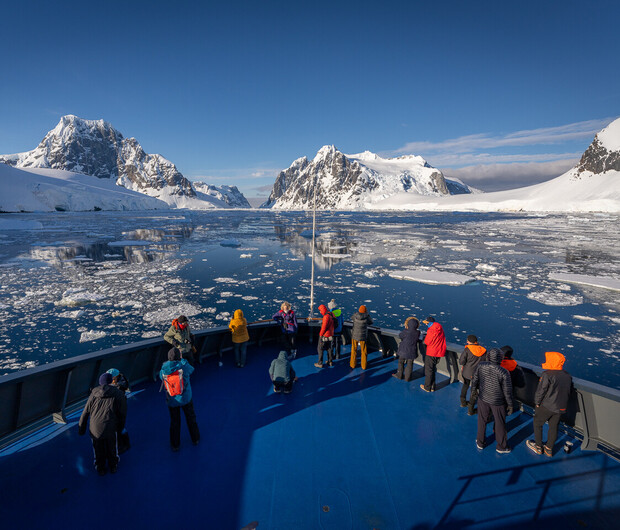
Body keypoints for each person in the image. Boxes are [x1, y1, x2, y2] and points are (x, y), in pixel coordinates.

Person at [78, 372, 127, 476]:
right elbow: (122, 413)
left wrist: (81, 429)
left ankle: (100, 468)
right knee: (112, 447)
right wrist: (120, 427)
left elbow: (85, 413)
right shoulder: (118, 394)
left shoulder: (93, 394)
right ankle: (113, 466)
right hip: (110, 427)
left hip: (95, 428)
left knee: (98, 449)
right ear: (110, 381)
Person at [527, 351, 573, 457]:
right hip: (560, 407)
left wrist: (537, 402)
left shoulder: (547, 374)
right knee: (554, 427)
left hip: (546, 406)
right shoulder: (567, 376)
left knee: (537, 424)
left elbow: (541, 390)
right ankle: (549, 449)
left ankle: (538, 447)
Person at [471, 348, 514, 454]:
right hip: (497, 401)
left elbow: (475, 379)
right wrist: (510, 404)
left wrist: (473, 391)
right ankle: (501, 446)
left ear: (489, 356)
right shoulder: (504, 372)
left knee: (482, 420)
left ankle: (480, 442)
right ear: (500, 358)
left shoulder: (481, 365)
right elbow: (507, 391)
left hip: (483, 398)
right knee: (500, 423)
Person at [159, 347, 200, 451]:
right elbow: (191, 370)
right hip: (185, 398)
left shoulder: (164, 368)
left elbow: (161, 377)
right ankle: (195, 439)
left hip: (172, 400)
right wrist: (182, 360)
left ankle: (175, 445)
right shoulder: (183, 365)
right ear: (179, 356)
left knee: (175, 422)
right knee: (190, 418)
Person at [459, 335, 487, 414]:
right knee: (474, 390)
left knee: (465, 385)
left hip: (466, 372)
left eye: (467, 341)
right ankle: (470, 410)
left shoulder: (467, 350)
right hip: (477, 374)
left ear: (469, 342)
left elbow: (461, 362)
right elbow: (486, 362)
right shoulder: (483, 350)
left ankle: (463, 402)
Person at [107, 368, 131, 453]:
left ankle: (123, 445)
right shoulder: (121, 382)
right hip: (118, 406)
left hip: (119, 407)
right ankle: (125, 443)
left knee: (119, 426)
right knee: (120, 426)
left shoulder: (119, 386)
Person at [420, 316, 446, 392]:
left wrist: (426, 336)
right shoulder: (439, 328)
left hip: (431, 352)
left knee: (428, 370)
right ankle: (432, 387)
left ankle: (427, 387)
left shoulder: (431, 330)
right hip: (438, 351)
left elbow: (427, 342)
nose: (426, 324)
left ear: (430, 323)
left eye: (427, 323)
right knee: (433, 369)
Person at [392, 317, 421, 382]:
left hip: (403, 350)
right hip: (412, 351)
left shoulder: (405, 331)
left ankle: (399, 375)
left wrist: (405, 329)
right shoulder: (418, 332)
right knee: (410, 364)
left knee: (401, 362)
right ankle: (408, 378)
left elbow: (400, 336)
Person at [350, 305, 373, 370]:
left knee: (354, 350)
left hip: (354, 336)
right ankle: (363, 366)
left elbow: (352, 318)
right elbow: (371, 322)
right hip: (363, 337)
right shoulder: (367, 317)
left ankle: (352, 364)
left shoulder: (355, 315)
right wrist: (367, 314)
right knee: (364, 351)